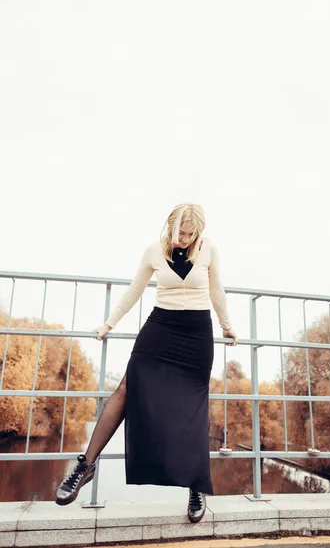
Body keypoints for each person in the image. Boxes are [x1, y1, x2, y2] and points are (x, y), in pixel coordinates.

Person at [55, 203, 238, 523]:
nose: (183, 238)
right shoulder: (154, 250)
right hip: (160, 329)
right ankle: (85, 466)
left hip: (196, 335)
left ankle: (196, 486)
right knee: (127, 387)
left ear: (199, 231)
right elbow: (134, 291)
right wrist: (107, 324)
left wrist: (226, 325)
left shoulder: (210, 251)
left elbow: (216, 290)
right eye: (179, 232)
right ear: (170, 227)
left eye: (189, 233)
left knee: (192, 409)